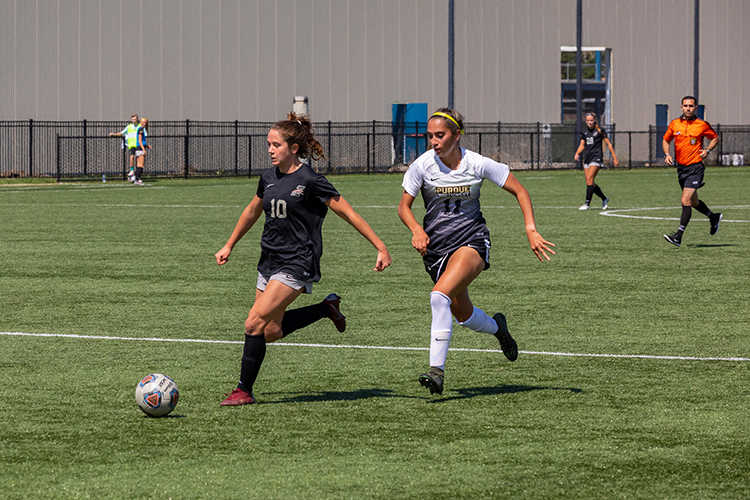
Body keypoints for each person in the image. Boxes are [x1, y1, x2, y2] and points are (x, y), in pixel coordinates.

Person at [215, 112, 392, 406]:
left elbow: (347, 212)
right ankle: (325, 309)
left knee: (253, 323)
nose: (270, 150)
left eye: (276, 145)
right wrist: (229, 244)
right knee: (269, 330)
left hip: (298, 262)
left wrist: (380, 245)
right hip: (269, 259)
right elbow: (251, 211)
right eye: (268, 144)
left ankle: (243, 390)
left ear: (293, 148)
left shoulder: (311, 180)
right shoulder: (268, 177)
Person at [398, 108, 555, 396]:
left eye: (440, 135)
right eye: (429, 136)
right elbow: (403, 207)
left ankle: (437, 372)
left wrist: (531, 229)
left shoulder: (477, 163)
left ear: (457, 135)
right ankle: (498, 329)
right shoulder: (421, 166)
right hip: (436, 250)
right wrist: (417, 231)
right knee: (462, 314)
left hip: (472, 241)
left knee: (438, 297)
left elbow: (520, 191)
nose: (433, 141)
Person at [662, 96, 721, 247]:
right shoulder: (675, 124)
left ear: (696, 108)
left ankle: (678, 236)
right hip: (681, 169)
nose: (688, 108)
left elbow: (715, 138)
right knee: (693, 202)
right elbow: (665, 140)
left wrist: (707, 150)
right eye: (685, 106)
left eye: (691, 106)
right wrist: (667, 154)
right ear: (681, 107)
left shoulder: (702, 124)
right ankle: (713, 217)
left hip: (695, 167)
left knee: (685, 201)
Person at [574, 112, 619, 210]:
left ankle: (587, 204)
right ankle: (604, 198)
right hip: (587, 158)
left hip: (596, 157)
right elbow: (582, 145)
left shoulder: (600, 130)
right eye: (588, 120)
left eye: (591, 120)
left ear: (594, 120)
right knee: (589, 182)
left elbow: (608, 144)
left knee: (590, 179)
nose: (589, 122)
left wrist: (615, 157)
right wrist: (577, 153)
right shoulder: (584, 131)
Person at [109, 114, 139, 181]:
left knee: (139, 159)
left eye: (134, 119)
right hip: (132, 144)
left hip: (139, 144)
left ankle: (138, 173)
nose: (133, 120)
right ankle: (132, 170)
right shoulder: (129, 127)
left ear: (137, 119)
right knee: (132, 156)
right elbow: (122, 133)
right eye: (132, 119)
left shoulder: (140, 126)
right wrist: (114, 134)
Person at [133, 117, 151, 186]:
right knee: (141, 165)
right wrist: (143, 149)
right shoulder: (140, 129)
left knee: (139, 165)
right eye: (143, 122)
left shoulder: (141, 129)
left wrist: (146, 146)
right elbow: (139, 140)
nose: (144, 124)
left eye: (145, 123)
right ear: (140, 122)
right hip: (140, 148)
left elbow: (142, 141)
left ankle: (137, 179)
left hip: (139, 147)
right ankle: (137, 179)